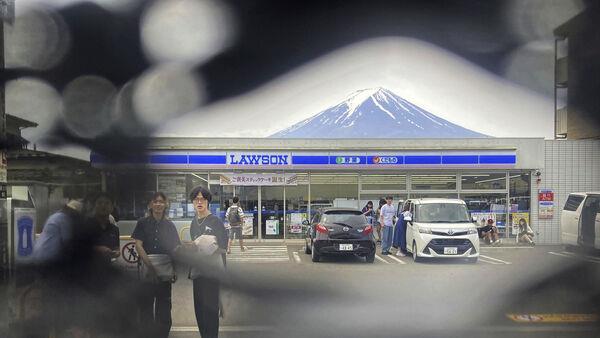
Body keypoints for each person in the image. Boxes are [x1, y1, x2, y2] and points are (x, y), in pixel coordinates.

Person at [132, 192, 182, 338]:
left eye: (161, 201)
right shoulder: (142, 222)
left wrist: (175, 269)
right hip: (147, 270)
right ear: (150, 204)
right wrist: (150, 266)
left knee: (164, 307)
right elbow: (138, 245)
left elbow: (174, 249)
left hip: (165, 272)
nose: (158, 204)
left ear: (166, 204)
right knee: (146, 306)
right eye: (155, 201)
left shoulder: (170, 225)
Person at [189, 186, 228, 338]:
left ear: (208, 202)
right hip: (198, 273)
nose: (199, 202)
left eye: (203, 199)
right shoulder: (193, 223)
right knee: (199, 311)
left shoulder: (215, 221)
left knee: (210, 313)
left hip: (212, 273)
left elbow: (224, 247)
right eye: (196, 199)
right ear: (193, 202)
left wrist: (206, 247)